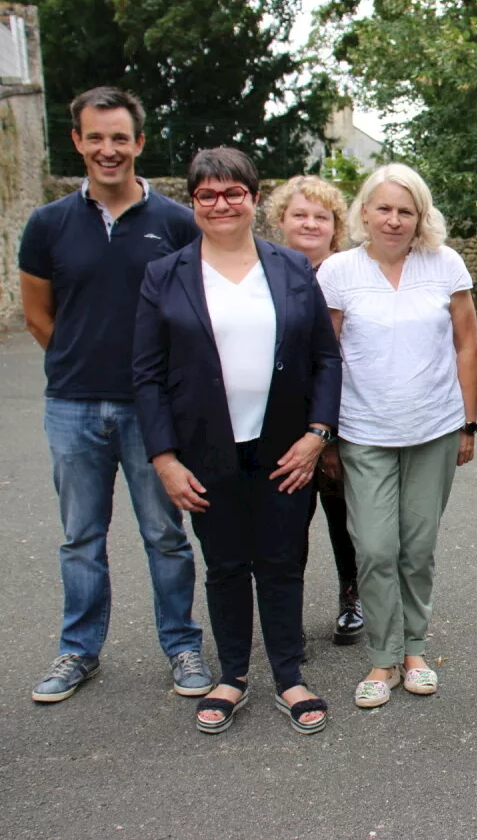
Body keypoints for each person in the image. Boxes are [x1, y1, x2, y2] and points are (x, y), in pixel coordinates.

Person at [134, 147, 341, 734]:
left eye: (233, 193)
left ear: (253, 198)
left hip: (284, 447)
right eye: (207, 194)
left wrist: (316, 435)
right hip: (204, 452)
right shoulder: (165, 274)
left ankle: (289, 674)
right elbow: (147, 373)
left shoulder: (292, 268)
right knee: (224, 564)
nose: (221, 203)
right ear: (193, 202)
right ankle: (232, 675)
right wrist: (165, 458)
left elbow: (326, 359)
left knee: (281, 562)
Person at [19, 86, 212, 704]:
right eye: (95, 137)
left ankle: (182, 645)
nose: (108, 149)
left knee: (165, 533)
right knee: (80, 535)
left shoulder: (177, 223)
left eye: (119, 138)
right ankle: (79, 651)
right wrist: (83, 363)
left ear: (139, 142)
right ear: (76, 141)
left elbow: (190, 313)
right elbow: (37, 316)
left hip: (150, 409)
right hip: (72, 405)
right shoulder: (47, 224)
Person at [318, 164, 477, 709]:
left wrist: (468, 422)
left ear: (420, 216)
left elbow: (466, 344)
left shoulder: (444, 264)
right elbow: (326, 358)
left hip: (433, 429)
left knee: (416, 548)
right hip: (363, 432)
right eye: (383, 208)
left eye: (405, 210)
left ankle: (413, 652)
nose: (393, 220)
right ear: (364, 212)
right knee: (374, 547)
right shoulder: (339, 271)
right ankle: (381, 658)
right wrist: (326, 435)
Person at [266, 176, 364, 646]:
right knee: (286, 524)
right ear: (280, 221)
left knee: (345, 517)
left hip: (344, 417)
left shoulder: (349, 272)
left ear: (336, 226)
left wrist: (332, 433)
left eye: (320, 216)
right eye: (299, 214)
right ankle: (287, 618)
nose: (309, 223)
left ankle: (353, 599)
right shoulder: (264, 273)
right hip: (280, 420)